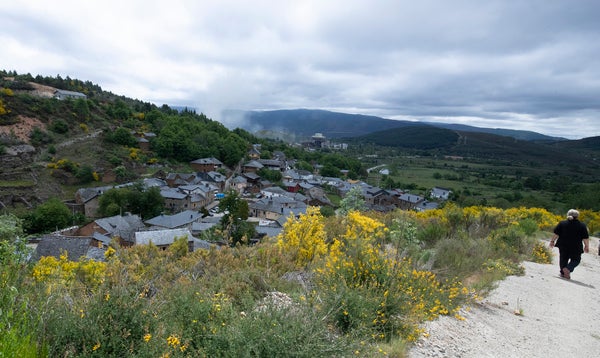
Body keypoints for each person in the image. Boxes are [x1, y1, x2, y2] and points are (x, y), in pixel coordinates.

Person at [549, 209, 589, 279]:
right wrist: (586, 246)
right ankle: (568, 269)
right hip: (576, 246)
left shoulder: (562, 223)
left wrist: (552, 241)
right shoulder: (582, 225)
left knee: (563, 258)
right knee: (576, 260)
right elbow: (585, 237)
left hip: (563, 244)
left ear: (568, 215)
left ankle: (563, 272)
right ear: (577, 216)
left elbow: (556, 234)